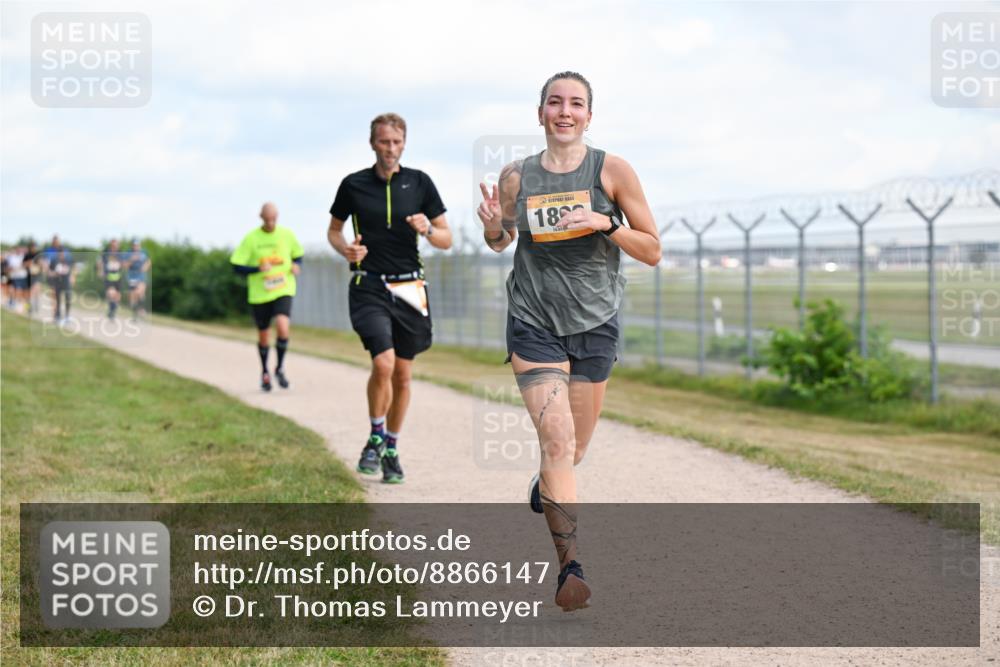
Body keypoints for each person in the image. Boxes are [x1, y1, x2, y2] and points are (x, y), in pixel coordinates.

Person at [476, 72, 661, 612]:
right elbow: (500, 239)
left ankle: (548, 482)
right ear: (539, 114)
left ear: (588, 115)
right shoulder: (517, 176)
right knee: (556, 439)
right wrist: (492, 226)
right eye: (554, 102)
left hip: (595, 323)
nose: (564, 111)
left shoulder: (612, 170)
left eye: (575, 103)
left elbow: (651, 249)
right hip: (533, 321)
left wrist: (604, 223)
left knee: (573, 449)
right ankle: (570, 569)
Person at [327, 112, 452, 484]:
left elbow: (446, 238)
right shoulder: (353, 185)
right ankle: (376, 435)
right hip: (369, 284)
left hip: (410, 288)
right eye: (384, 142)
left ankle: (391, 448)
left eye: (396, 142)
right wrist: (345, 249)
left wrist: (428, 228)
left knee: (403, 375)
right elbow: (334, 231)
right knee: (383, 364)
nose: (390, 149)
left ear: (404, 144)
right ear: (372, 143)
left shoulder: (419, 183)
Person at [230, 202, 304, 391]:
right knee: (264, 335)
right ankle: (265, 372)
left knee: (282, 325)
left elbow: (298, 255)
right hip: (260, 294)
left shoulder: (286, 235)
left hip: (283, 288)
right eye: (267, 219)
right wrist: (256, 269)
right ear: (261, 217)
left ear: (277, 217)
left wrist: (296, 265)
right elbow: (236, 266)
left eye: (274, 219)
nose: (271, 223)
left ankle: (279, 367)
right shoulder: (251, 238)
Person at [97, 239, 125, 320]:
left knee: (117, 295)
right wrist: (100, 271)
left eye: (116, 245)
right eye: (113, 245)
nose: (115, 247)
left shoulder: (120, 254)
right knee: (110, 293)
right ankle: (111, 308)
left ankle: (112, 311)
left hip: (118, 277)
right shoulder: (105, 253)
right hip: (108, 276)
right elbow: (100, 262)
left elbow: (123, 264)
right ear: (110, 245)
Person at [48, 246, 76, 324]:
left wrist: (73, 277)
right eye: (60, 254)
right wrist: (54, 273)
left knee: (68, 298)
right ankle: (57, 316)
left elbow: (74, 268)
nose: (61, 255)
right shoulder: (54, 260)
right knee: (58, 299)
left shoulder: (69, 259)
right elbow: (49, 272)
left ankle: (67, 315)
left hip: (66, 281)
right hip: (57, 281)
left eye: (63, 253)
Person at [125, 240, 151, 320]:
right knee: (133, 296)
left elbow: (148, 262)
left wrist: (145, 267)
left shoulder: (144, 252)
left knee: (140, 292)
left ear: (140, 245)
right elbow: (125, 265)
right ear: (132, 246)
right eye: (134, 245)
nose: (136, 247)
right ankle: (135, 313)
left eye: (137, 245)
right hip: (132, 276)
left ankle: (142, 309)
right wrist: (132, 260)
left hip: (141, 276)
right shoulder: (128, 253)